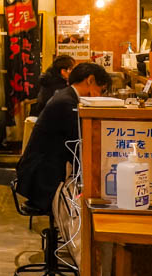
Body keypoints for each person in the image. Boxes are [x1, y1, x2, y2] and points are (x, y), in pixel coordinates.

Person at [16, 62, 112, 212]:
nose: (100, 96)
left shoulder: (67, 96)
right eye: (101, 90)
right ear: (90, 80)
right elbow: (76, 144)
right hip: (41, 179)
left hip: (40, 172)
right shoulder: (67, 103)